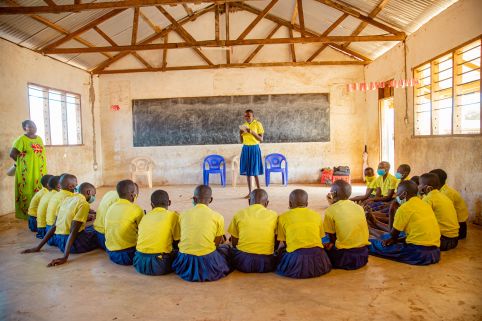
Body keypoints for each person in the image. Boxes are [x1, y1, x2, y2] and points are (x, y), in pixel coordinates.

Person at [21, 183, 98, 264]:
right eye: (94, 194)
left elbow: (54, 226)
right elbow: (73, 231)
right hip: (74, 245)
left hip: (59, 241)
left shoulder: (66, 199)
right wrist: (64, 257)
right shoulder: (84, 204)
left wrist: (38, 247)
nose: (93, 197)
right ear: (88, 192)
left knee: (89, 228)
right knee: (97, 232)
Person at [368, 181, 441, 265]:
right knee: (394, 237)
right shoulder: (424, 204)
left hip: (418, 254)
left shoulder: (404, 208)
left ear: (404, 194)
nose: (396, 196)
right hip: (435, 252)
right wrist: (396, 239)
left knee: (375, 244)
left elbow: (392, 235)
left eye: (397, 193)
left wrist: (392, 209)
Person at [172, 185, 231, 282]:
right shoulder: (218, 217)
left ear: (194, 199)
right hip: (208, 261)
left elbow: (179, 238)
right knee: (226, 250)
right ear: (211, 200)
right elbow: (216, 244)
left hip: (185, 260)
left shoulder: (183, 215)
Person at [276, 189, 331, 278]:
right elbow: (321, 238)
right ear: (307, 204)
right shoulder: (317, 216)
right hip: (319, 261)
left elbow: (285, 242)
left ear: (290, 204)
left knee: (280, 254)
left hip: (296, 260)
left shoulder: (282, 217)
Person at [228, 189, 278, 273]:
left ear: (249, 201)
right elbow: (276, 240)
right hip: (267, 263)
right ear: (267, 203)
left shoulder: (239, 214)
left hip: (243, 262)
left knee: (226, 249)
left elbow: (234, 244)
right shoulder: (274, 215)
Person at [323, 181, 370, 270]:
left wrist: (331, 244)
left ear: (334, 193)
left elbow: (332, 237)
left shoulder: (330, 210)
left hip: (344, 257)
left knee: (322, 243)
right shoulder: (359, 207)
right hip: (363, 255)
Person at [133, 190, 180, 276]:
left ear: (152, 205)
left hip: (139, 262)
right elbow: (177, 240)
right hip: (160, 264)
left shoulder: (145, 217)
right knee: (181, 252)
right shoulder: (173, 216)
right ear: (169, 202)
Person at [9, 120, 47, 220]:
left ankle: (38, 211)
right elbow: (12, 153)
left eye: (34, 126)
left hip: (39, 170)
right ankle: (26, 214)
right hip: (26, 171)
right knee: (26, 190)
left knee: (39, 189)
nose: (32, 128)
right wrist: (21, 164)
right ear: (24, 128)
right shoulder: (21, 139)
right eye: (29, 127)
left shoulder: (39, 139)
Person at [104, 180, 144, 265]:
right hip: (128, 254)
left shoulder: (111, 207)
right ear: (132, 194)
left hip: (110, 252)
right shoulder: (136, 209)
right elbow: (143, 231)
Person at [419, 173, 459, 251]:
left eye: (420, 184)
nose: (418, 186)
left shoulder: (428, 199)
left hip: (443, 241)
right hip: (454, 239)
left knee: (413, 237)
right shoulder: (443, 196)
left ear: (428, 188)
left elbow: (420, 219)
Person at [430, 169, 469, 240]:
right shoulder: (440, 191)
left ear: (436, 181)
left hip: (459, 224)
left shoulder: (447, 193)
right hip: (455, 222)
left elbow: (444, 213)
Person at [44, 174, 77, 246]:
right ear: (71, 186)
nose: (76, 186)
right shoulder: (70, 197)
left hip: (47, 230)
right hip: (57, 233)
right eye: (76, 184)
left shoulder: (56, 194)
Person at [239, 109, 264, 198]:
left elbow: (261, 139)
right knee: (248, 172)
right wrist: (240, 133)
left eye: (249, 116)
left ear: (253, 116)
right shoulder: (244, 126)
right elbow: (241, 141)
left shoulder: (258, 124)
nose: (247, 117)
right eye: (245, 116)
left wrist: (252, 132)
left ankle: (259, 192)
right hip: (246, 148)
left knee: (255, 171)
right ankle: (250, 193)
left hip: (254, 148)